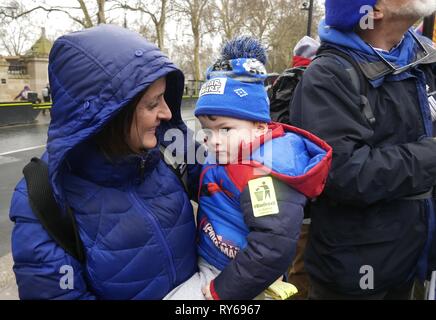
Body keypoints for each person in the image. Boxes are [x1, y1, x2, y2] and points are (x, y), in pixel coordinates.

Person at [9, 24, 200, 300]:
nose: (167, 112)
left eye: (165, 98)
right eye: (152, 103)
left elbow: (227, 182)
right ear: (111, 113)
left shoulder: (168, 150)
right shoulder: (43, 199)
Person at [164, 36, 332, 300]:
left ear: (259, 126)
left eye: (226, 129)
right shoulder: (228, 152)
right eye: (207, 130)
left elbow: (272, 246)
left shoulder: (261, 174)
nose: (213, 139)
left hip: (236, 279)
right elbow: (207, 182)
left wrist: (223, 290)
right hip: (215, 261)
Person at [290, 0, 436, 299]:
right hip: (358, 273)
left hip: (414, 258)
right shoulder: (328, 76)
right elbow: (345, 173)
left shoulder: (425, 58)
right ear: (375, 11)